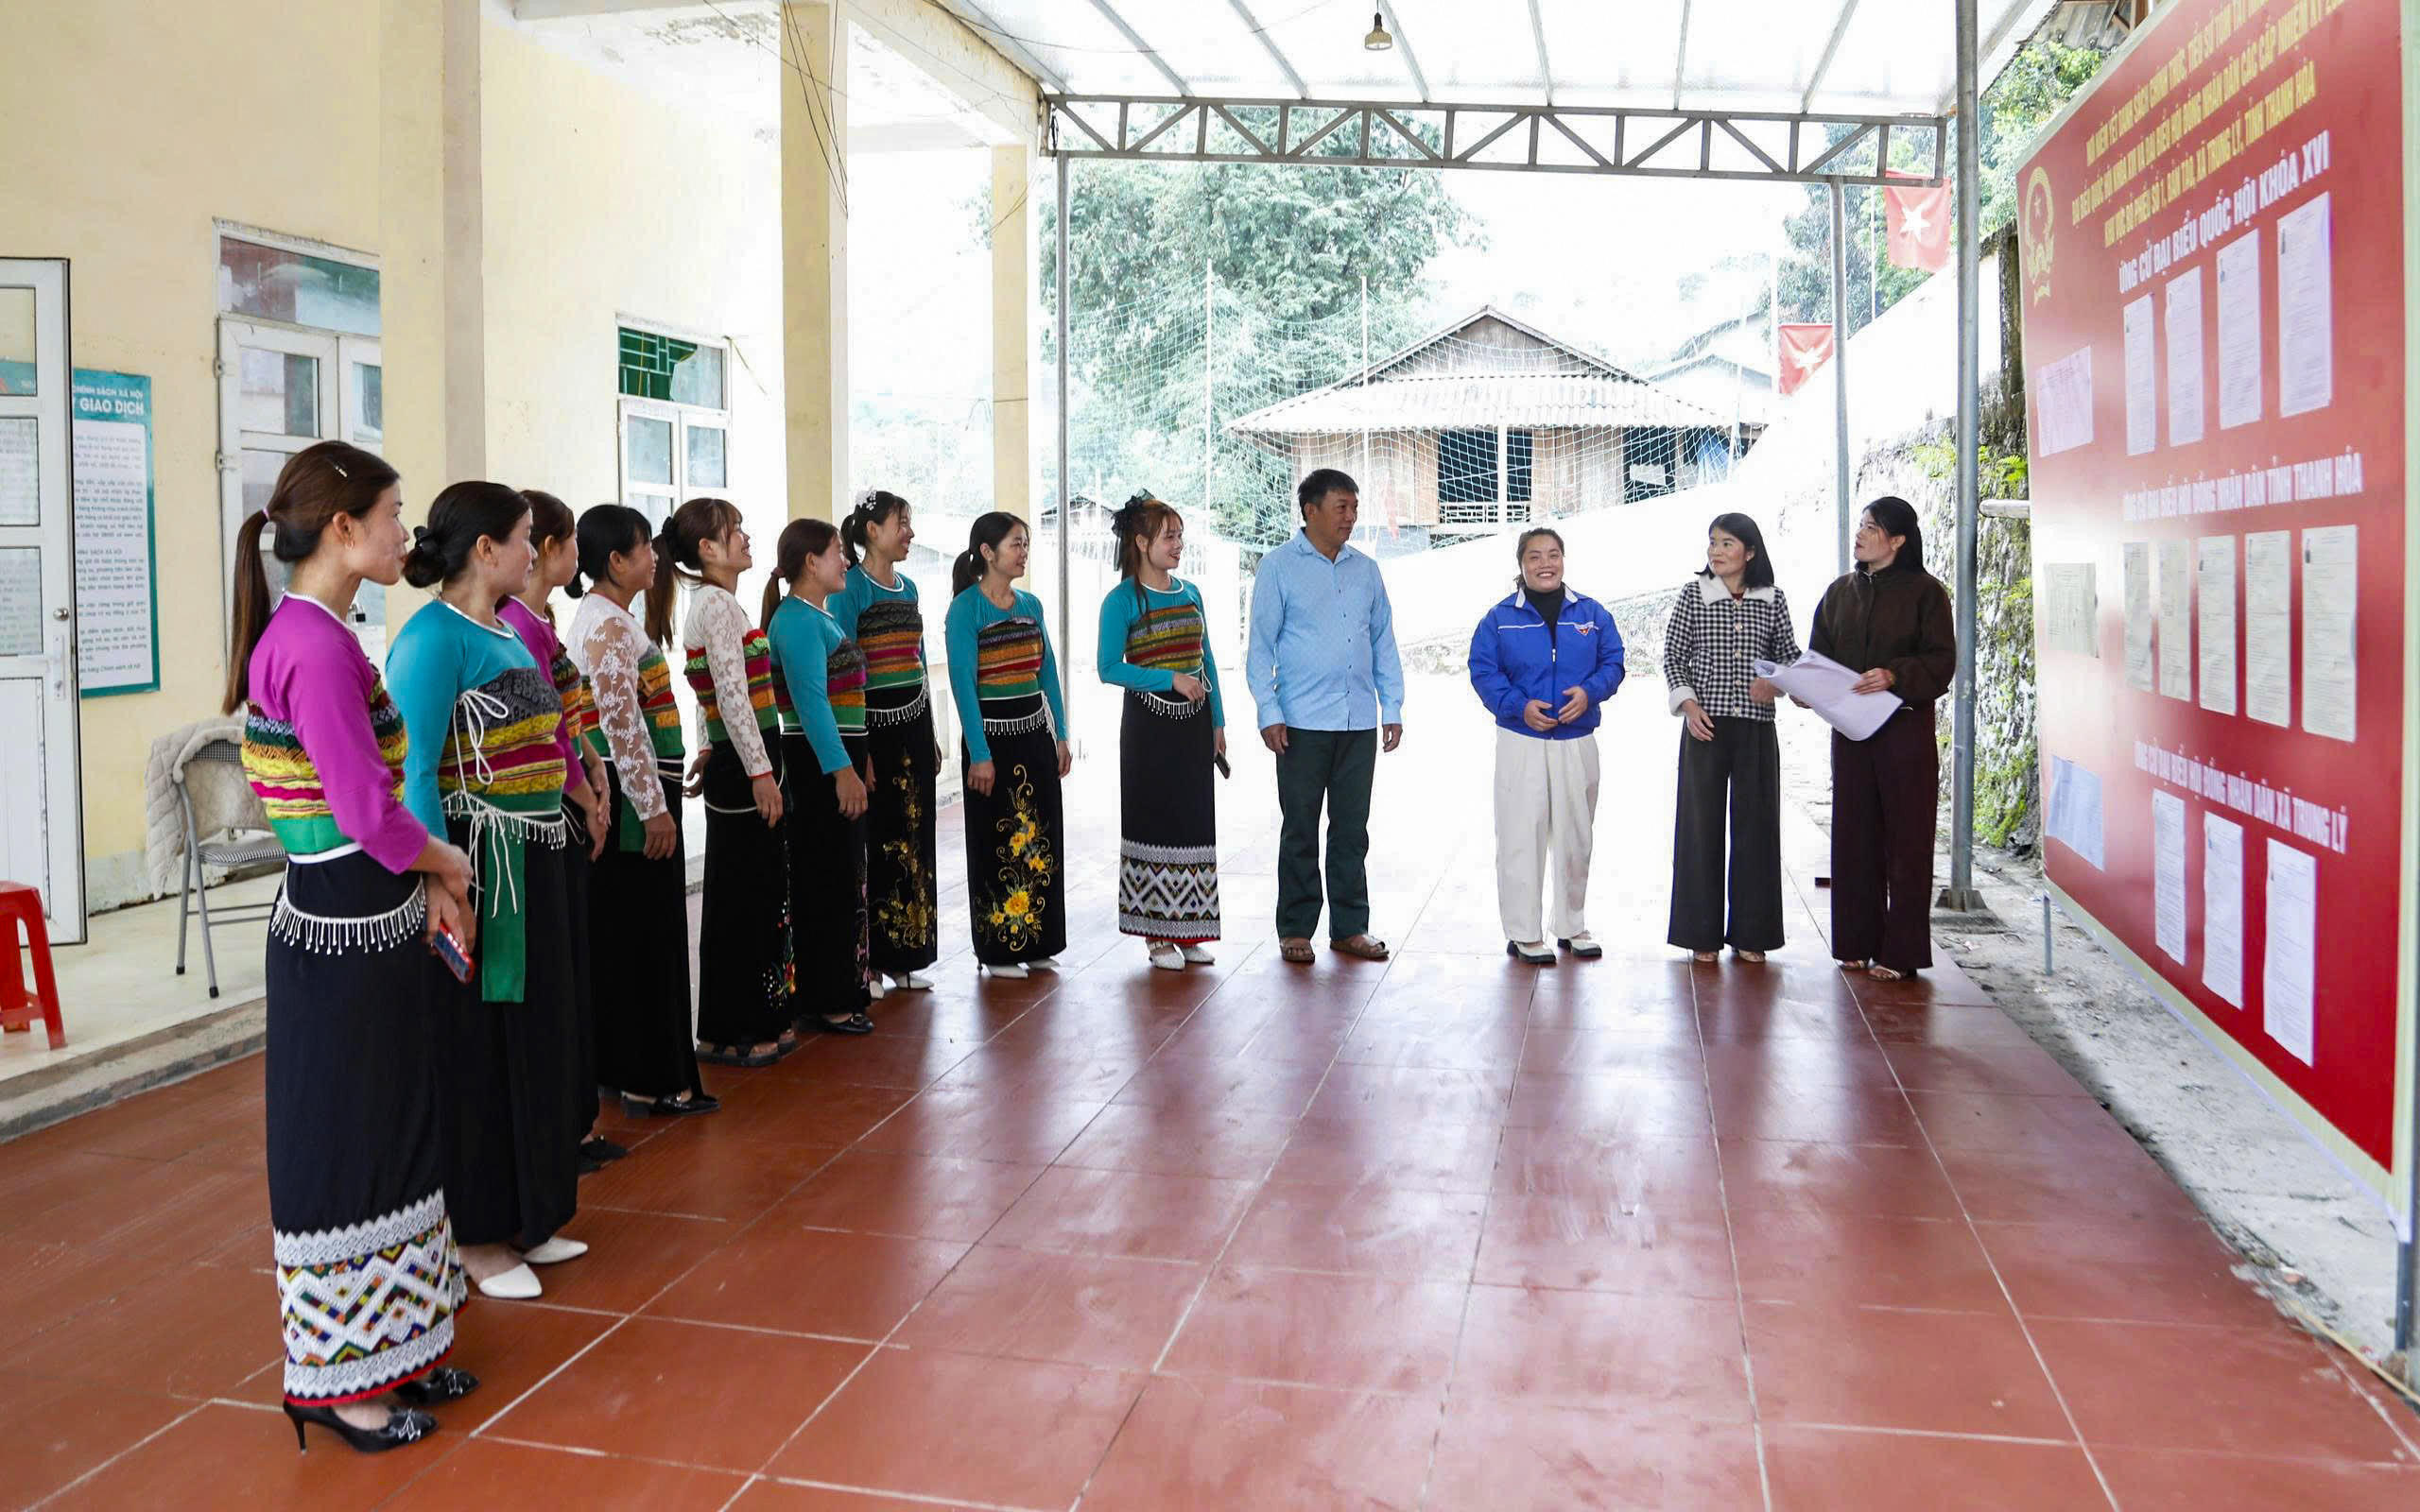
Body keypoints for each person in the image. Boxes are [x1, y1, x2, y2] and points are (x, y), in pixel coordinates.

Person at [228, 440, 476, 1452]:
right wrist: (449, 866)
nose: (404, 533)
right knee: (352, 1145)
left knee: (396, 1128)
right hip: (343, 930)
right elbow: (370, 815)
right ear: (341, 527)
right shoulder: (315, 647)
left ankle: (402, 1346)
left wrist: (425, 881)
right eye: (393, 514)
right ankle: (347, 1383)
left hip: (361, 920)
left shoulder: (322, 633)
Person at [388, 481, 585, 1304]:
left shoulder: (505, 630)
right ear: (485, 548)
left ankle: (526, 1213)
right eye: (525, 536)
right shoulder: (431, 640)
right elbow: (413, 771)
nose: (533, 552)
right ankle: (474, 1235)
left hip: (533, 859)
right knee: (476, 1047)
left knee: (533, 1036)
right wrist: (444, 879)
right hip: (479, 863)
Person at [566, 504, 714, 1117]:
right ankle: (649, 1077)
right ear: (615, 561)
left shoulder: (613, 618)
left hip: (637, 795)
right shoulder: (606, 626)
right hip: (631, 806)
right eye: (644, 548)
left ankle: (628, 1070)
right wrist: (654, 809)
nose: (656, 558)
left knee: (630, 939)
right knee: (644, 941)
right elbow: (621, 728)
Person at [496, 490, 619, 1172]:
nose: (578, 554)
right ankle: (564, 1128)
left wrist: (594, 764)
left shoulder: (540, 620)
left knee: (574, 967)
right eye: (570, 541)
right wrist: (587, 796)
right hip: (552, 810)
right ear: (551, 549)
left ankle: (577, 1121)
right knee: (556, 971)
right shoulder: (515, 624)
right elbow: (544, 732)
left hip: (572, 793)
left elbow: (569, 719)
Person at [651, 496, 796, 1061]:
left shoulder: (718, 603)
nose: (745, 537)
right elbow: (731, 695)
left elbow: (706, 689)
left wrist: (710, 745)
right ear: (708, 549)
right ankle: (745, 1028)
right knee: (748, 892)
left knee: (744, 887)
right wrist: (760, 771)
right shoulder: (715, 606)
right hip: (746, 763)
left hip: (737, 756)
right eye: (735, 530)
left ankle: (727, 1026)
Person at [1246, 468, 1404, 965]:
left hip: (1358, 720)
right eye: (1341, 507)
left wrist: (1392, 705)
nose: (1350, 517)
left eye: (1354, 508)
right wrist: (1268, 711)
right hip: (1300, 723)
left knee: (1352, 829)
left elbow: (1383, 640)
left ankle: (1350, 927)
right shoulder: (1277, 567)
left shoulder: (1367, 570)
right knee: (1300, 828)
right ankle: (1296, 928)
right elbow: (1260, 647)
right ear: (1310, 510)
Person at [1809, 495, 1957, 980]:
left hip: (1904, 732)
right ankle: (1855, 942)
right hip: (1851, 732)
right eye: (1861, 525)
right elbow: (1819, 656)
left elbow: (1941, 662)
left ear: (1897, 540)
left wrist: (1895, 675)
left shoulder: (1927, 593)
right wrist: (1807, 688)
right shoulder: (1839, 593)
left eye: (1871, 528)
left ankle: (1901, 952)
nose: (1860, 535)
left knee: (1907, 840)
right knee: (1854, 836)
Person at [1467, 525, 1625, 966]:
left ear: (1563, 560)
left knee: (1576, 836)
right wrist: (1518, 706)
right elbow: (1483, 670)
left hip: (1576, 739)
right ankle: (1523, 933)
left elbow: (1614, 661)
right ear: (1521, 565)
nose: (1545, 564)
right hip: (1522, 741)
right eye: (1534, 556)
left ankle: (1571, 925)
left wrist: (1589, 693)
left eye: (1553, 554)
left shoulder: (1591, 614)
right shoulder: (1499, 619)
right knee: (1522, 834)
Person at [1662, 512, 1802, 965]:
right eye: (1712, 542)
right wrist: (1688, 706)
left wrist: (1776, 681)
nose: (1716, 551)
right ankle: (1699, 933)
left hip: (1757, 728)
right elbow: (1673, 656)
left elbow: (1789, 657)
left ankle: (1752, 933)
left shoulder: (1772, 599)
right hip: (1705, 726)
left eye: (1726, 543)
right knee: (1699, 829)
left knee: (1757, 829)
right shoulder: (1694, 594)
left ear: (1750, 552)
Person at [1097, 493, 1225, 970]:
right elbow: (1109, 667)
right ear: (1141, 542)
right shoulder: (1121, 601)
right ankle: (1156, 935)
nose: (1178, 545)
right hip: (1149, 728)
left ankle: (1189, 931)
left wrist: (1218, 720)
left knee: (1194, 822)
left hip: (1194, 725)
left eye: (1180, 536)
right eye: (1169, 536)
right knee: (1154, 819)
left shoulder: (1191, 593)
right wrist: (1168, 678)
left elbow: (1207, 660)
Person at [943, 511, 1072, 979]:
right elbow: (963, 685)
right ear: (987, 552)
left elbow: (1047, 672)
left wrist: (1060, 733)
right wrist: (979, 754)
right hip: (991, 743)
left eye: (1025, 544)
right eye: (1015, 544)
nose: (1023, 552)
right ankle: (997, 950)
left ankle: (1038, 942)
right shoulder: (965, 610)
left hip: (1034, 737)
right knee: (995, 841)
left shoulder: (1031, 605)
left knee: (1039, 838)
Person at [765, 518, 876, 1034]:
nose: (846, 561)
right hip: (816, 763)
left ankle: (837, 989)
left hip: (838, 756)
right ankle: (828, 999)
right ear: (811, 562)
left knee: (841, 876)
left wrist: (859, 760)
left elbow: (843, 700)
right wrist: (841, 770)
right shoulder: (794, 621)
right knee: (826, 880)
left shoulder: (817, 616)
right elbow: (811, 705)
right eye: (837, 552)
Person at [834, 490, 939, 994]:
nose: (910, 533)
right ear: (872, 530)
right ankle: (870, 962)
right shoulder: (849, 588)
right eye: (902, 523)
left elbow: (920, 661)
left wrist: (931, 733)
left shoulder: (910, 587)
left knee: (916, 836)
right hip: (872, 728)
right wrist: (861, 752)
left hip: (914, 724)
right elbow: (845, 670)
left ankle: (907, 956)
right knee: (876, 840)